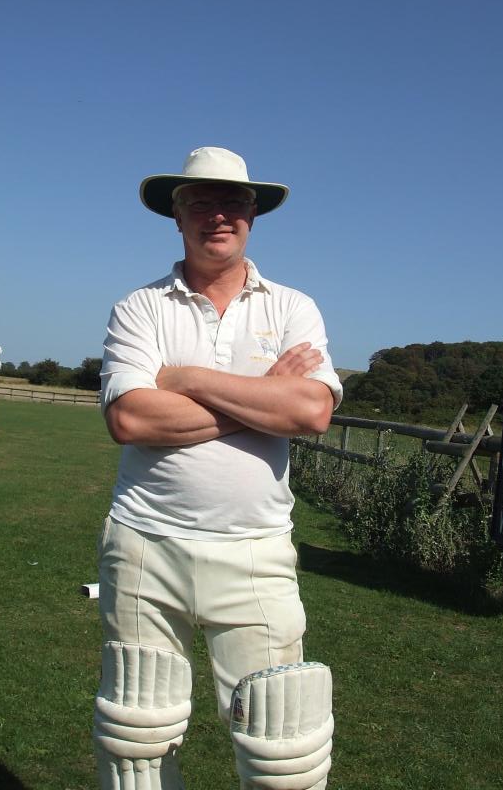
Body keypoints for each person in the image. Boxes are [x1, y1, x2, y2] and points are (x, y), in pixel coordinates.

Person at [95, 147, 343, 789]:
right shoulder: (141, 307)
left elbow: (311, 410)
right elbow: (132, 420)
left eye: (232, 202)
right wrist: (264, 397)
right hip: (145, 544)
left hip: (255, 551)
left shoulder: (292, 308)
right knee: (137, 735)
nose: (217, 216)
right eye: (199, 203)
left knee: (282, 749)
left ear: (252, 214)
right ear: (176, 216)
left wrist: (188, 380)